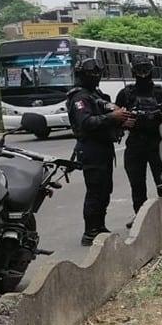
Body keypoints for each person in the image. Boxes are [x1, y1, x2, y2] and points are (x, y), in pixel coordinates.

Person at [66, 58, 132, 246]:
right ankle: (90, 231)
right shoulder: (79, 97)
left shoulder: (95, 94)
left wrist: (121, 120)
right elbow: (85, 123)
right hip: (91, 149)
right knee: (95, 191)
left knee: (105, 189)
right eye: (92, 75)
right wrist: (112, 117)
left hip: (103, 147)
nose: (96, 79)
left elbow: (106, 113)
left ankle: (99, 226)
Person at [116, 54, 162, 228]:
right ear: (134, 71)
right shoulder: (126, 94)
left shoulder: (161, 93)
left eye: (145, 70)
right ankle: (142, 218)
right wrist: (122, 122)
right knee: (137, 185)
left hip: (157, 143)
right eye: (140, 70)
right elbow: (116, 114)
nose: (143, 74)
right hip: (136, 144)